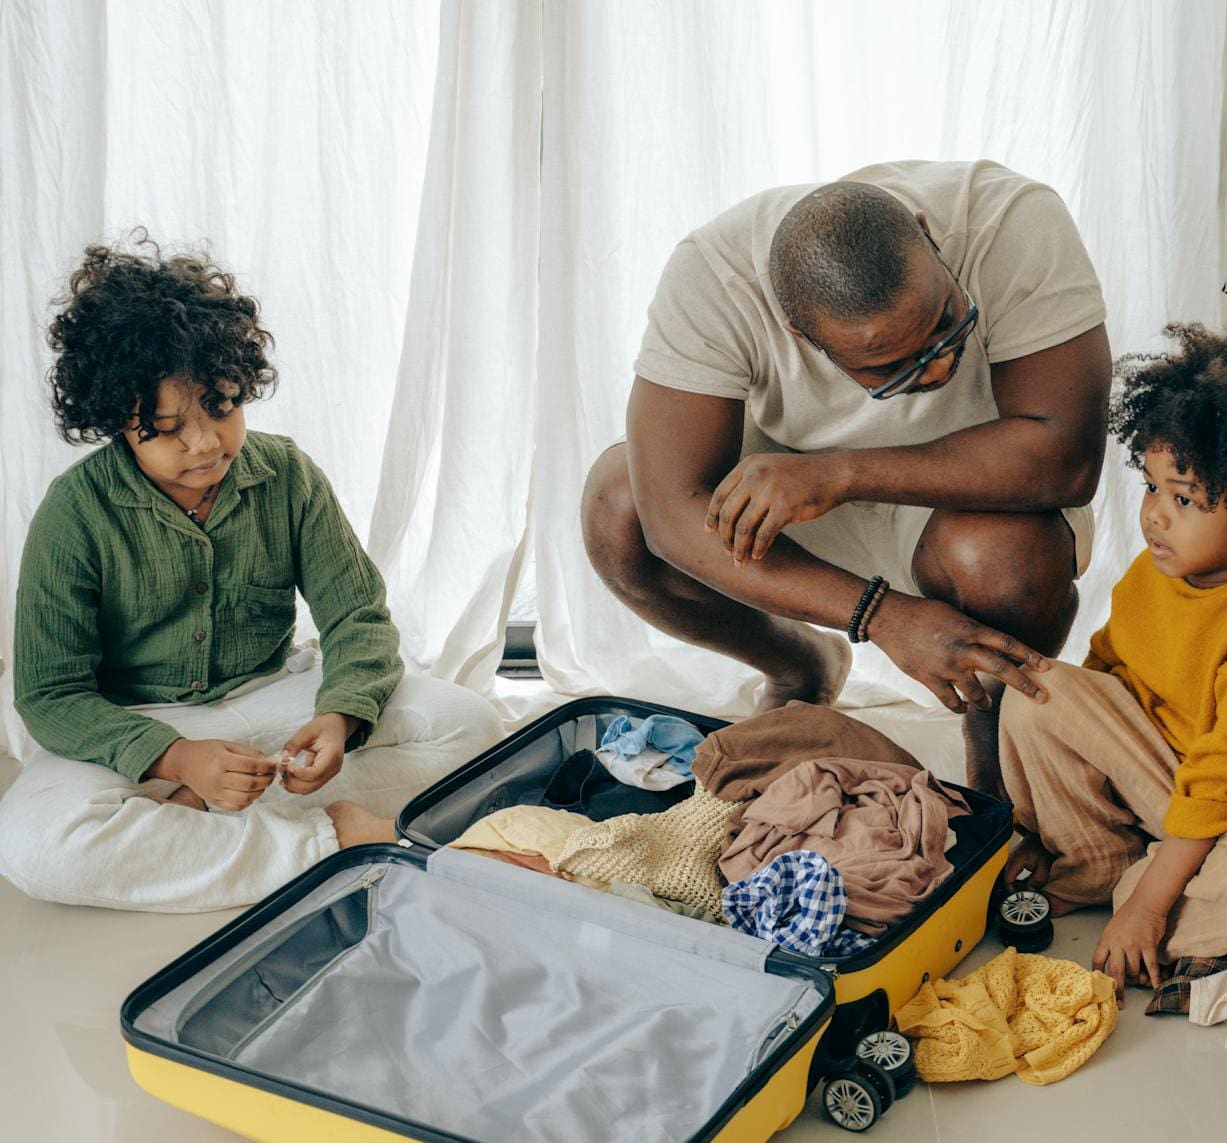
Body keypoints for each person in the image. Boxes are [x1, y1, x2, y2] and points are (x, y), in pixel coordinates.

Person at [0, 236, 503, 911]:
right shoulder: (73, 513)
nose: (205, 442)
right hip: (132, 722)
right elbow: (50, 693)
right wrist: (176, 759)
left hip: (273, 702)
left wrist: (338, 718)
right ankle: (331, 842)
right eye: (169, 428)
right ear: (120, 423)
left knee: (473, 726)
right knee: (34, 845)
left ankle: (194, 827)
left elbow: (356, 618)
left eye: (221, 408)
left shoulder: (287, 473)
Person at [582, 160, 1112, 793]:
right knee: (619, 507)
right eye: (890, 366)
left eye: (947, 324)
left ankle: (993, 754)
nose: (939, 370)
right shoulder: (713, 277)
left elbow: (1066, 460)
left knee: (1006, 563)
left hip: (976, 486)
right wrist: (881, 616)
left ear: (928, 234)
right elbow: (670, 514)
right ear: (798, 332)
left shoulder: (1011, 220)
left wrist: (840, 472)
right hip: (794, 498)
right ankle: (801, 667)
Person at [997, 320, 1227, 1003]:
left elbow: (1226, 780)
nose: (1155, 516)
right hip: (1164, 778)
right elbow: (1104, 677)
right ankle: (1097, 861)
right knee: (1032, 688)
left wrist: (1148, 904)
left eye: (1184, 497)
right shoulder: (1154, 570)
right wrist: (1047, 806)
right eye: (1152, 486)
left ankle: (1154, 906)